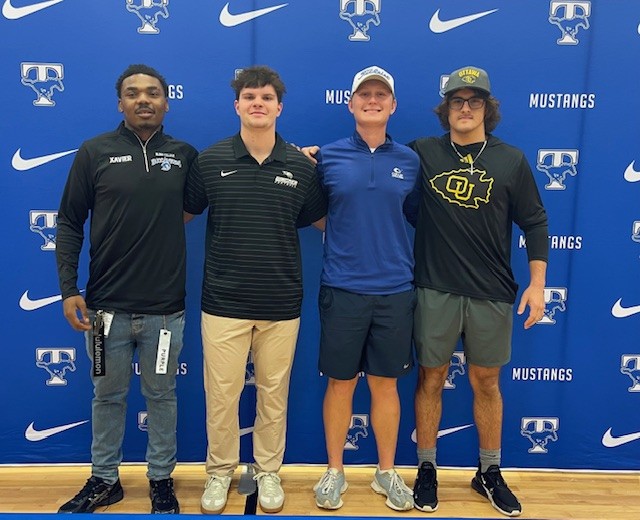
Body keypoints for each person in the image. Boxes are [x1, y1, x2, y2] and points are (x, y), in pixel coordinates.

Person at [183, 65, 326, 515]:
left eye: (266, 97)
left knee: (273, 396)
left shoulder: (302, 167)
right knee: (221, 396)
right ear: (237, 106)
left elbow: (326, 223)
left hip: (281, 303)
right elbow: (179, 215)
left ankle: (267, 471)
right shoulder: (209, 161)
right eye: (250, 97)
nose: (258, 103)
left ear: (279, 107)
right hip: (222, 303)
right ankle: (219, 472)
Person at [55, 64, 197, 514]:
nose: (143, 99)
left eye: (152, 92)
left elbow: (208, 196)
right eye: (133, 93)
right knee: (107, 397)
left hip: (165, 311)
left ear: (166, 102)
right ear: (120, 103)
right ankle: (104, 480)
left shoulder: (185, 156)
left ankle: (161, 480)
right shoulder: (94, 151)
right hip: (104, 312)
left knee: (162, 397)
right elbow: (69, 221)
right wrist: (68, 288)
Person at [408, 66, 548, 517]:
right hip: (436, 287)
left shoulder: (511, 160)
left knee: (486, 382)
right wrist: (316, 157)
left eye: (474, 101)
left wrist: (538, 285)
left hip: (491, 290)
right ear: (445, 109)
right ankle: (426, 467)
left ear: (488, 108)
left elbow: (535, 222)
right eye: (457, 101)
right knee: (431, 378)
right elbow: (373, 164)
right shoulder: (423, 152)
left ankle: (488, 471)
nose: (465, 108)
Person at [310, 66, 419, 512]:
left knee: (385, 385)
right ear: (351, 103)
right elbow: (317, 215)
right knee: (341, 384)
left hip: (395, 289)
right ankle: (335, 471)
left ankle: (385, 472)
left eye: (381, 95)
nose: (372, 100)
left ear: (393, 105)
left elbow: (415, 217)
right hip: (343, 288)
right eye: (364, 94)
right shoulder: (327, 157)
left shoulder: (410, 160)